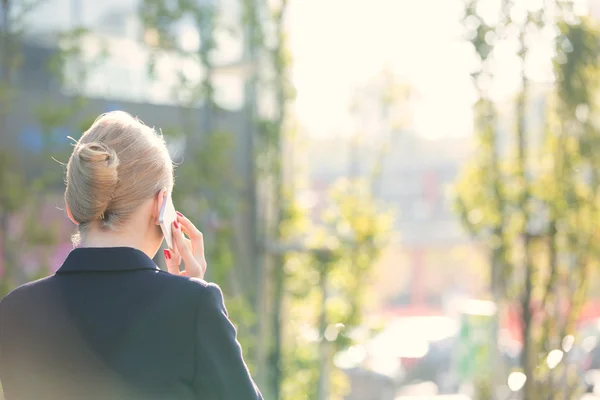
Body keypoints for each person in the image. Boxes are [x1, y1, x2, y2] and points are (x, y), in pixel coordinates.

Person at [0, 111, 263, 400]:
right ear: (161, 207)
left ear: (73, 208)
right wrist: (192, 300)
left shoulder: (14, 311)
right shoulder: (192, 308)